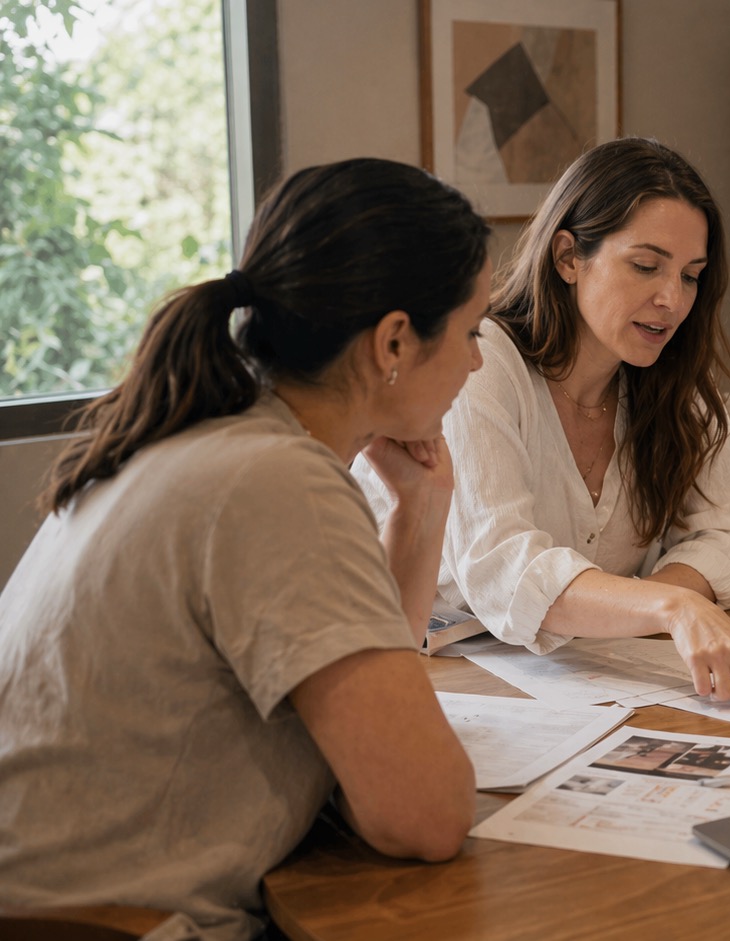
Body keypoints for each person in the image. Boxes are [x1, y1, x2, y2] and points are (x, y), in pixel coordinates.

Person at [0, 159, 488, 940]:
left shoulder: (210, 435)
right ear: (394, 340)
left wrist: (420, 509)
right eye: (470, 332)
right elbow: (424, 814)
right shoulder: (278, 483)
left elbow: (376, 720)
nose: (476, 361)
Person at [356, 138, 730, 714]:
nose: (671, 299)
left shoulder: (672, 379)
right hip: (434, 678)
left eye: (691, 276)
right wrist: (672, 608)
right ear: (568, 257)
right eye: (646, 266)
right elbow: (505, 566)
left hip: (589, 679)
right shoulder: (479, 362)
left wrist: (650, 604)